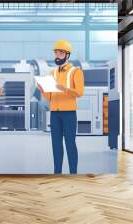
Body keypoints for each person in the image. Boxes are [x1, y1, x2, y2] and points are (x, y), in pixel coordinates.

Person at [37, 40, 85, 174]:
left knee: (70, 144)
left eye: (61, 52)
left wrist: (65, 88)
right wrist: (43, 90)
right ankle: (57, 173)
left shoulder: (76, 72)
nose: (57, 55)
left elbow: (80, 92)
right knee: (56, 145)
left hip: (69, 113)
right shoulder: (52, 73)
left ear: (67, 55)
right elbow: (51, 97)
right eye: (56, 52)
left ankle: (73, 173)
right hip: (54, 114)